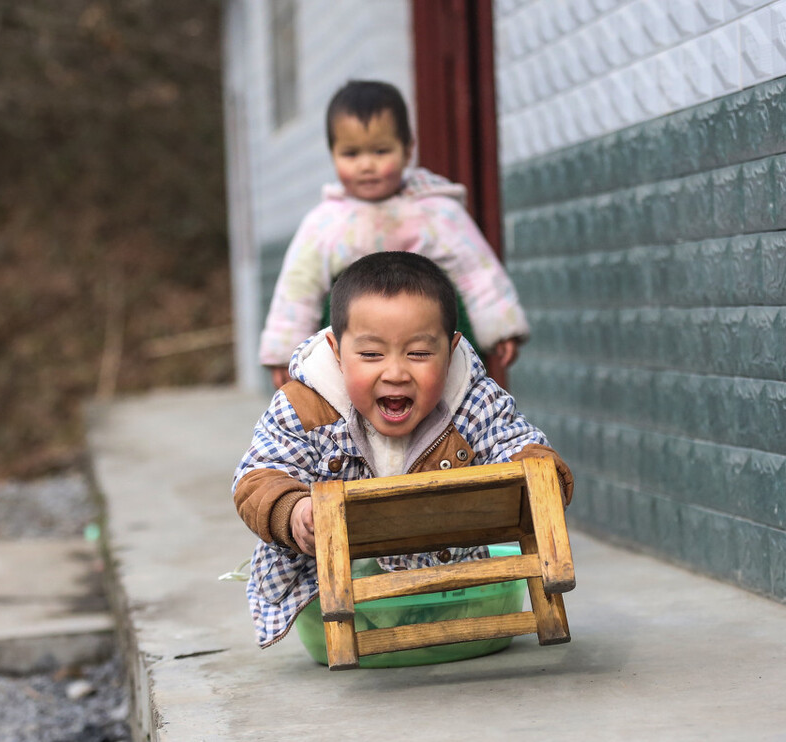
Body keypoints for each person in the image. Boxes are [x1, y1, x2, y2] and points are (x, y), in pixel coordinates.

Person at [233, 251, 572, 649]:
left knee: (529, 469)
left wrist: (537, 470)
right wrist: (292, 511)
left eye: (419, 354)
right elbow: (259, 476)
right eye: (372, 354)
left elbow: (513, 440)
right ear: (337, 352)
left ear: (451, 349)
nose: (395, 372)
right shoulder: (304, 406)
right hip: (342, 586)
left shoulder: (471, 399)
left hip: (448, 580)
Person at [258, 79, 530, 389]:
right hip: (356, 355)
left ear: (407, 149)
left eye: (381, 150)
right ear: (332, 153)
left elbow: (477, 271)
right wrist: (286, 352)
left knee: (453, 414)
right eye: (351, 154)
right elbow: (297, 290)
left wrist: (501, 327)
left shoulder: (436, 212)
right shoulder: (324, 224)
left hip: (431, 349)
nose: (367, 165)